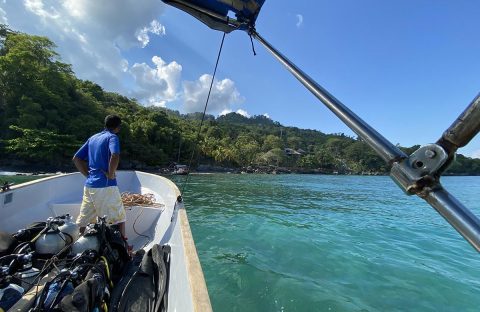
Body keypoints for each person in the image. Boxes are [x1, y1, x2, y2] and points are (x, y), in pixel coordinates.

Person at [72, 115, 126, 238]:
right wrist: (111, 175)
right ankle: (125, 248)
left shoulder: (93, 138)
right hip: (106, 185)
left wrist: (88, 175)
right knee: (120, 218)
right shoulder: (112, 137)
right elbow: (115, 155)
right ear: (118, 127)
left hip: (89, 186)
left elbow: (76, 158)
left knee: (84, 221)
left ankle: (77, 244)